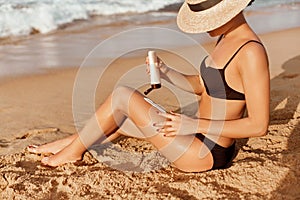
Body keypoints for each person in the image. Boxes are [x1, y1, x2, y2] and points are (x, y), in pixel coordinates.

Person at [27, 0, 269, 172]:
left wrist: (192, 123)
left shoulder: (250, 52)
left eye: (206, 18)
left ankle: (73, 152)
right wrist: (166, 72)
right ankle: (69, 143)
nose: (203, 26)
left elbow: (259, 126)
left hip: (205, 153)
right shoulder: (225, 37)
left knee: (123, 96)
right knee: (120, 118)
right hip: (193, 134)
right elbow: (205, 87)